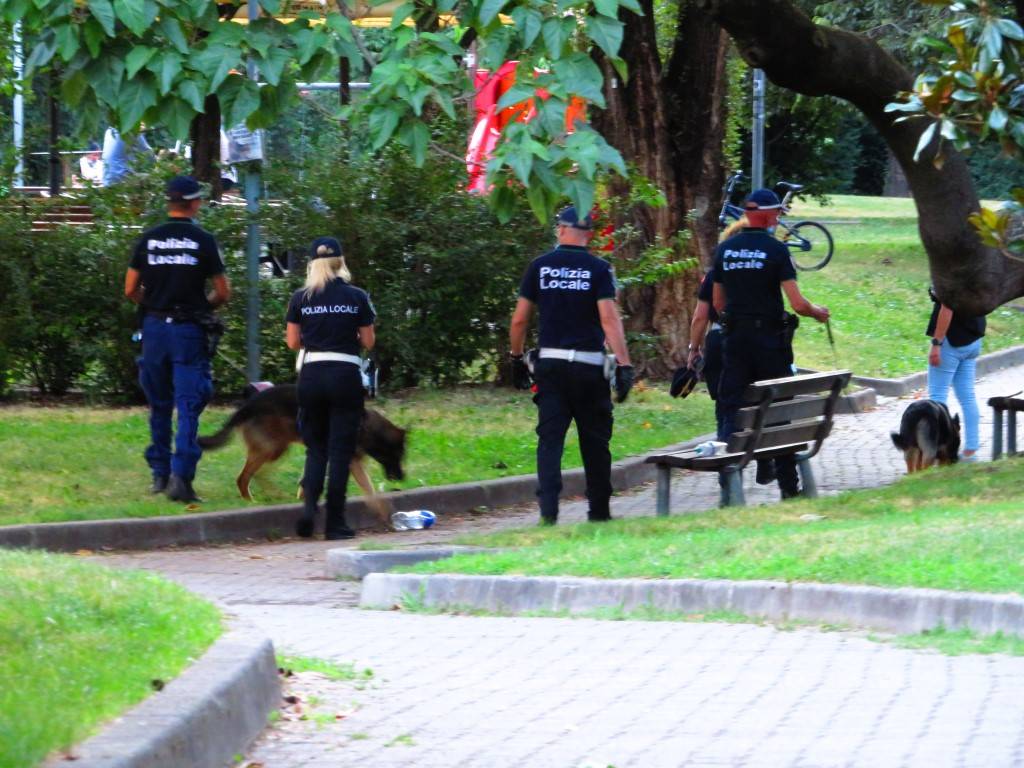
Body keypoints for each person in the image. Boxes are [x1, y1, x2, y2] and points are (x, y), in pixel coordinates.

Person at [509, 206, 635, 525]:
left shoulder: (540, 267)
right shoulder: (599, 269)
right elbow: (609, 318)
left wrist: (515, 357)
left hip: (550, 366)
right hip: (589, 368)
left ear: (561, 230)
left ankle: (548, 512)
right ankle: (600, 512)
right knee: (595, 441)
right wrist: (624, 364)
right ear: (589, 235)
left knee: (550, 440)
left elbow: (520, 318)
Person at [713, 189, 829, 499]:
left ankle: (728, 485)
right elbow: (797, 303)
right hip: (769, 343)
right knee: (779, 408)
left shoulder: (726, 250)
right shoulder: (776, 250)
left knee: (731, 407)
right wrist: (818, 313)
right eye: (777, 211)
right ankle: (789, 489)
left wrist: (737, 318)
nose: (779, 216)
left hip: (735, 341)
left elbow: (717, 300)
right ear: (764, 214)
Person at [124, 176, 231, 502]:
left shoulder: (150, 239)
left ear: (169, 202)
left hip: (155, 330)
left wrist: (155, 304)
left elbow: (130, 289)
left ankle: (158, 474)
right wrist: (200, 308)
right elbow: (224, 291)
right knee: (187, 406)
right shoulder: (203, 240)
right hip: (188, 332)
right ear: (195, 203)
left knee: (159, 404)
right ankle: (181, 480)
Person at [286, 237, 376, 540]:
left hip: (311, 375)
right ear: (341, 262)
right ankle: (335, 522)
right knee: (340, 451)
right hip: (344, 375)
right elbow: (368, 341)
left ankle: (309, 513)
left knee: (316, 448)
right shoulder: (357, 296)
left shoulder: (301, 298)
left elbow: (292, 342)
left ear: (312, 264)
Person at [926, 289, 986, 460]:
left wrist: (937, 343)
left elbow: (947, 308)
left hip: (951, 341)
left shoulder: (954, 274)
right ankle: (971, 451)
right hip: (973, 339)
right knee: (968, 397)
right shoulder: (978, 272)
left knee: (937, 397)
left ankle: (938, 450)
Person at [686, 270, 725, 434]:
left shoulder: (714, 275)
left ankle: (726, 445)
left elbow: (700, 317)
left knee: (723, 399)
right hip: (760, 339)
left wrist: (694, 349)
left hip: (719, 340)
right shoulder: (764, 266)